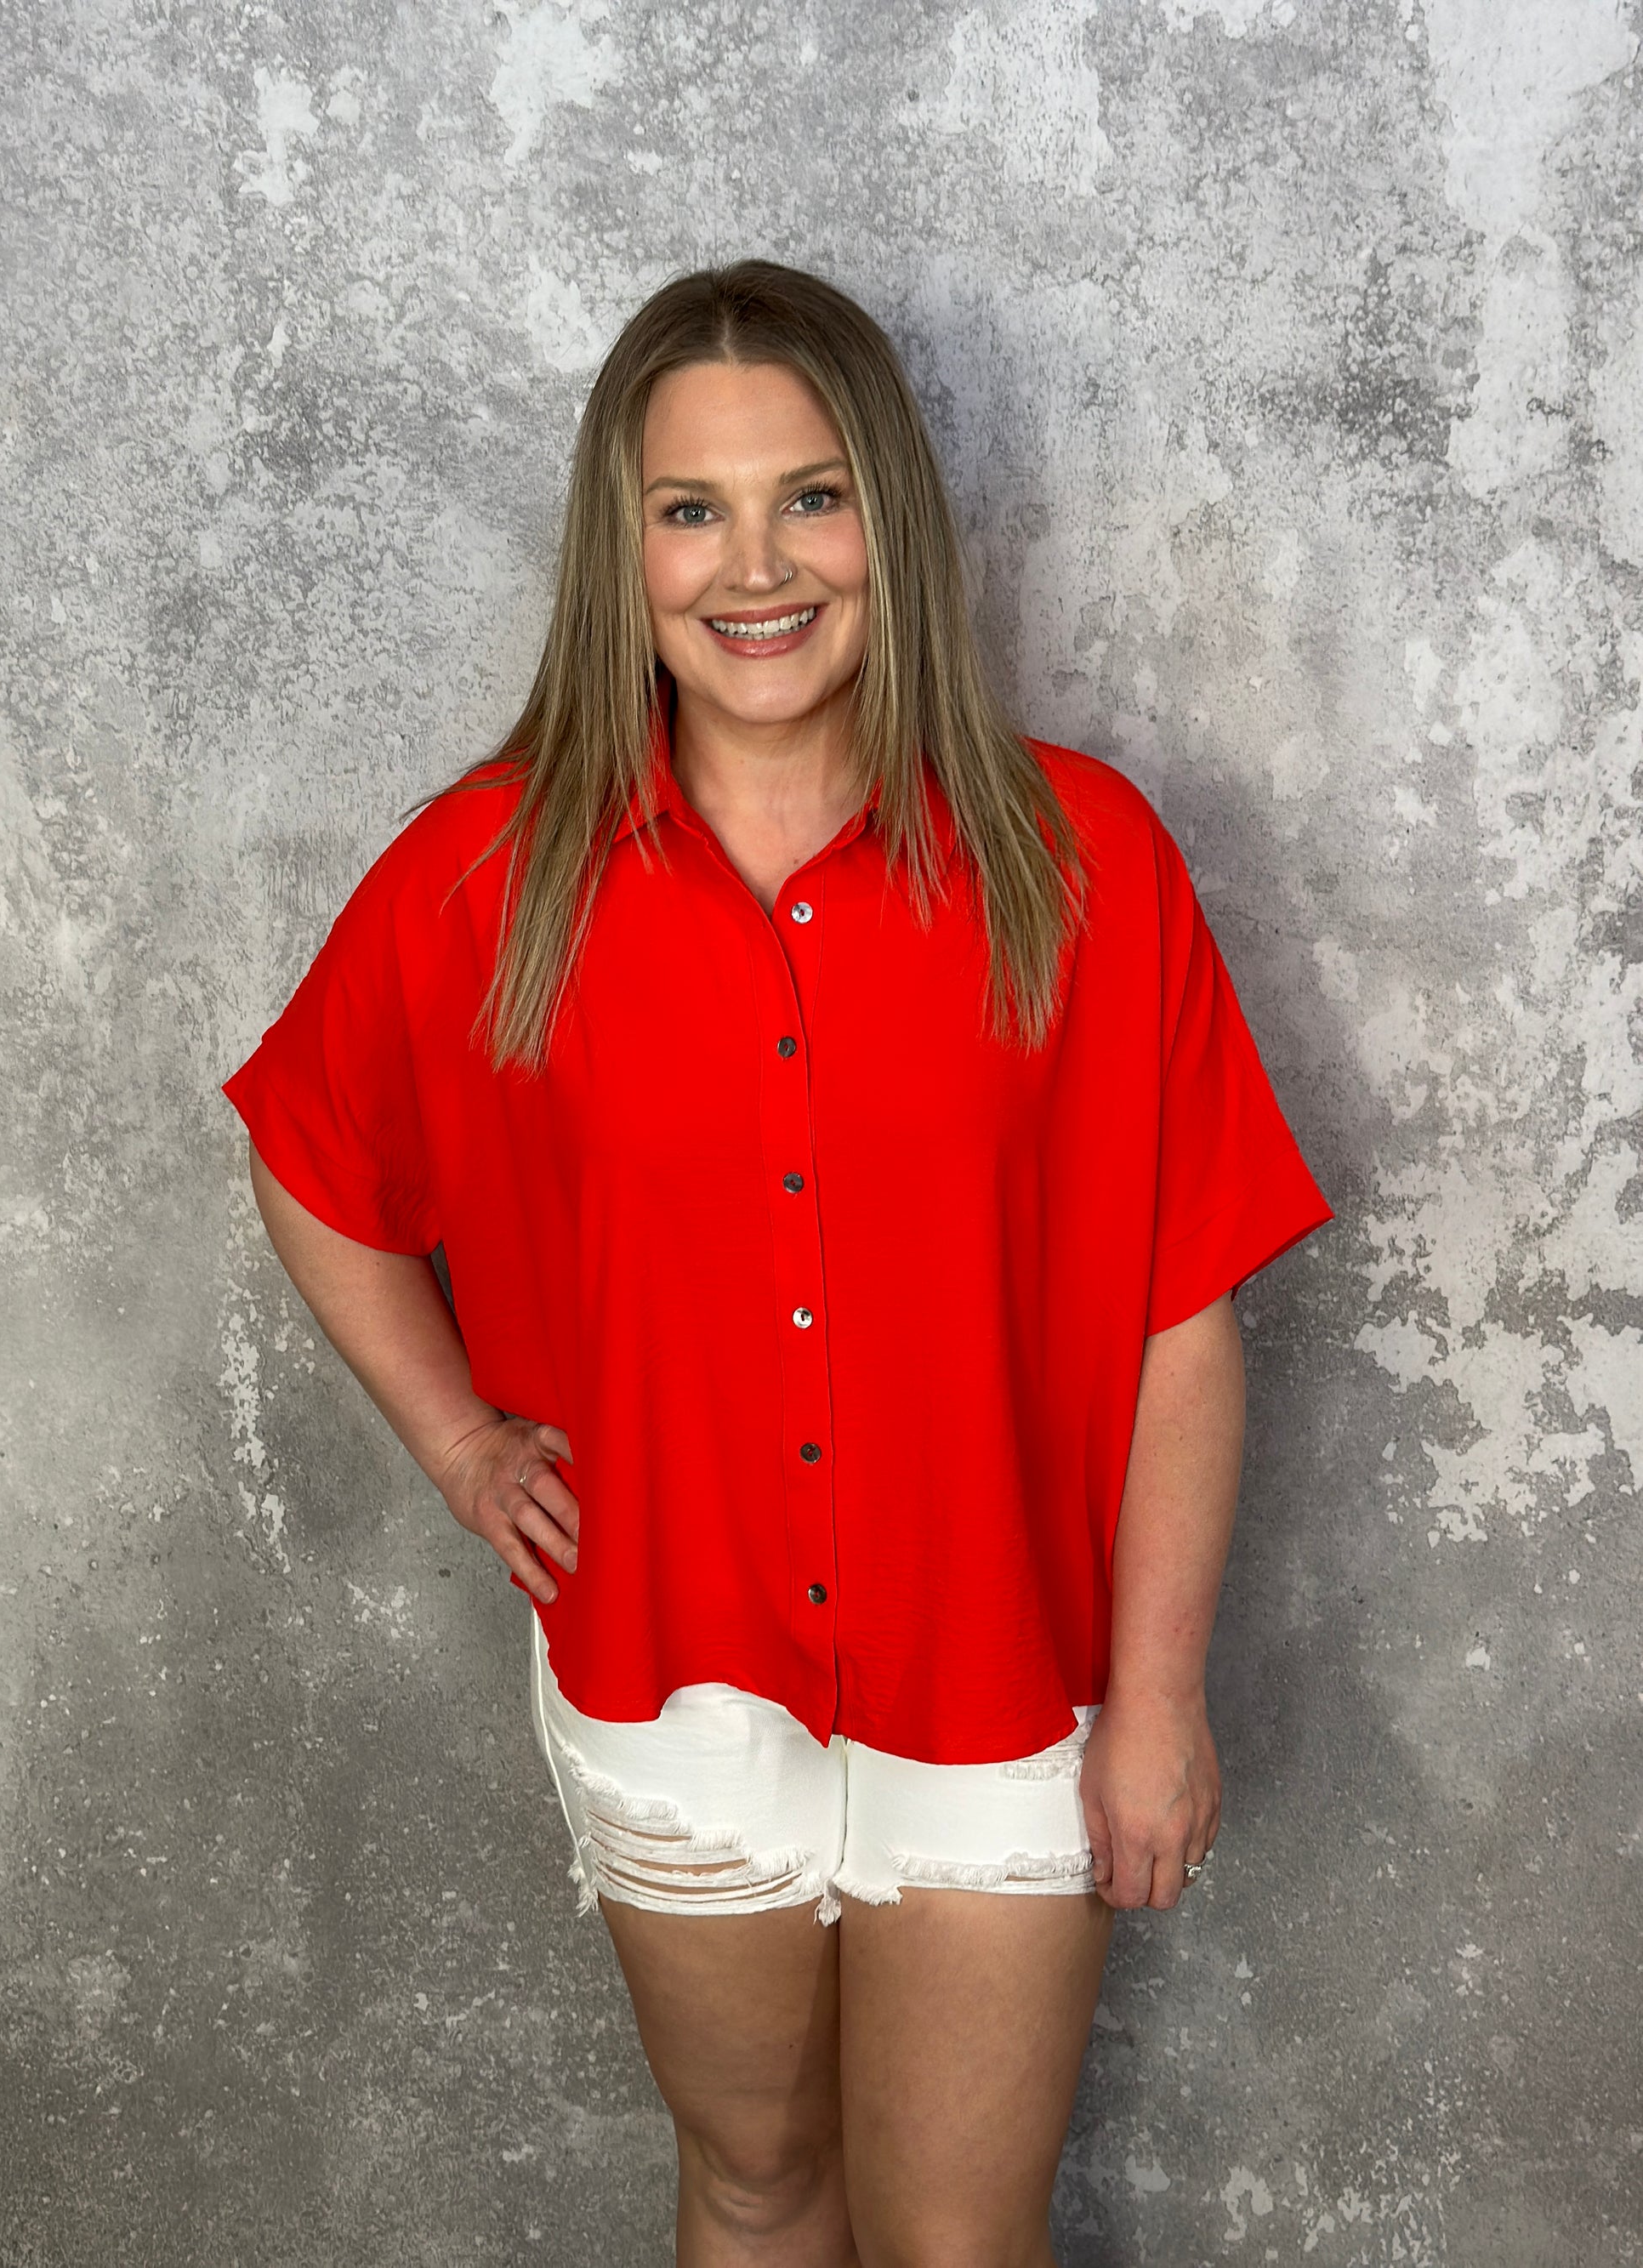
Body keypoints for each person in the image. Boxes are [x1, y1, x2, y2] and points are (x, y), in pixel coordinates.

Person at [222, 259, 1332, 2267]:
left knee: (951, 2239)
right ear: (624, 549)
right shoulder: (489, 873)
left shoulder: (1079, 858)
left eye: (809, 496)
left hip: (1005, 1675)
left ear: (885, 519)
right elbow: (310, 1153)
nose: (755, 564)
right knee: (753, 2182)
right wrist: (462, 1442)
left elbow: (1182, 1308)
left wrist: (1157, 1695)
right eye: (692, 509)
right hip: (673, 1679)